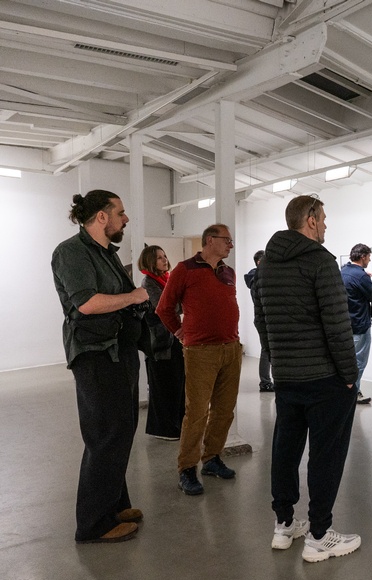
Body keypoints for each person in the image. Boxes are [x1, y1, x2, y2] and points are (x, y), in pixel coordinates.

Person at [253, 195, 362, 562]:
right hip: (324, 377)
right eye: (325, 218)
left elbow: (262, 321)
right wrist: (350, 374)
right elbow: (337, 324)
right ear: (311, 220)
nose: (327, 225)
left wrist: (278, 361)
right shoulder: (320, 261)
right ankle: (319, 535)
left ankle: (284, 525)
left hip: (287, 377)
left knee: (285, 449)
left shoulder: (267, 264)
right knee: (325, 456)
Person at [51, 190, 148, 544]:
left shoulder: (105, 253)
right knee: (105, 434)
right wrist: (134, 296)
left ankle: (114, 505)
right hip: (94, 354)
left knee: (120, 430)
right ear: (102, 217)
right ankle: (93, 524)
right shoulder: (71, 252)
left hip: (118, 351)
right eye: (121, 213)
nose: (126, 219)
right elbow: (88, 304)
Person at [158, 224, 242, 496]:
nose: (230, 245)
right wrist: (179, 331)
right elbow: (164, 308)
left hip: (230, 348)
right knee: (196, 412)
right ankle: (186, 469)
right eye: (226, 240)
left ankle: (212, 458)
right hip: (200, 351)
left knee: (224, 409)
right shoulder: (184, 269)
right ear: (209, 240)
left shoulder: (228, 272)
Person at [138, 245, 185, 440]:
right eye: (159, 258)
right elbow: (165, 307)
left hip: (171, 339)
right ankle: (164, 429)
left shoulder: (165, 280)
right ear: (150, 261)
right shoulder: (149, 283)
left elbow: (177, 305)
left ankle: (177, 425)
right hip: (159, 343)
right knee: (163, 386)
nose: (164, 260)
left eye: (165, 256)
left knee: (176, 384)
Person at [341, 243, 372, 405]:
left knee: (347, 363)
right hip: (359, 326)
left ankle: (350, 392)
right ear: (363, 257)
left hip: (344, 326)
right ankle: (352, 393)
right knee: (358, 363)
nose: (369, 260)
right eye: (368, 257)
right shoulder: (361, 276)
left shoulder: (343, 272)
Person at [245, 250, 274, 392]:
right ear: (259, 262)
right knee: (266, 350)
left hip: (262, 318)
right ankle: (265, 382)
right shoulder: (257, 279)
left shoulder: (256, 278)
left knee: (267, 349)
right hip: (264, 319)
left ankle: (266, 381)